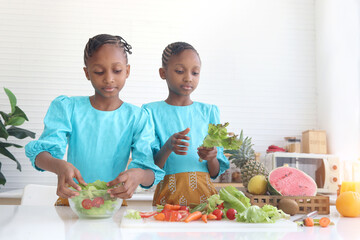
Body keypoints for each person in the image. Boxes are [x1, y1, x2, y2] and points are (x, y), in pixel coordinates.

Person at [25, 34, 164, 205]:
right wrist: (58, 166)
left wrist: (139, 175)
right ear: (87, 73)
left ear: (127, 71)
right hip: (73, 203)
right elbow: (40, 154)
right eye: (99, 71)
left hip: (112, 204)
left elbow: (149, 172)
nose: (109, 78)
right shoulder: (69, 108)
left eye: (117, 70)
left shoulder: (137, 117)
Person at [142, 42, 229, 206]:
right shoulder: (150, 112)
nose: (188, 77)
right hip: (167, 204)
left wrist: (211, 158)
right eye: (180, 71)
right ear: (163, 73)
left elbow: (215, 172)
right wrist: (168, 146)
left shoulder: (209, 112)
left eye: (195, 72)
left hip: (207, 205)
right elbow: (151, 168)